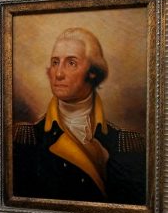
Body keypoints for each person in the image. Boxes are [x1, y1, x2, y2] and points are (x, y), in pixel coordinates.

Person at [13, 27, 145, 204]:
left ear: (93, 71)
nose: (58, 74)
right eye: (55, 62)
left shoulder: (127, 143)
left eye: (71, 63)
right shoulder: (26, 138)